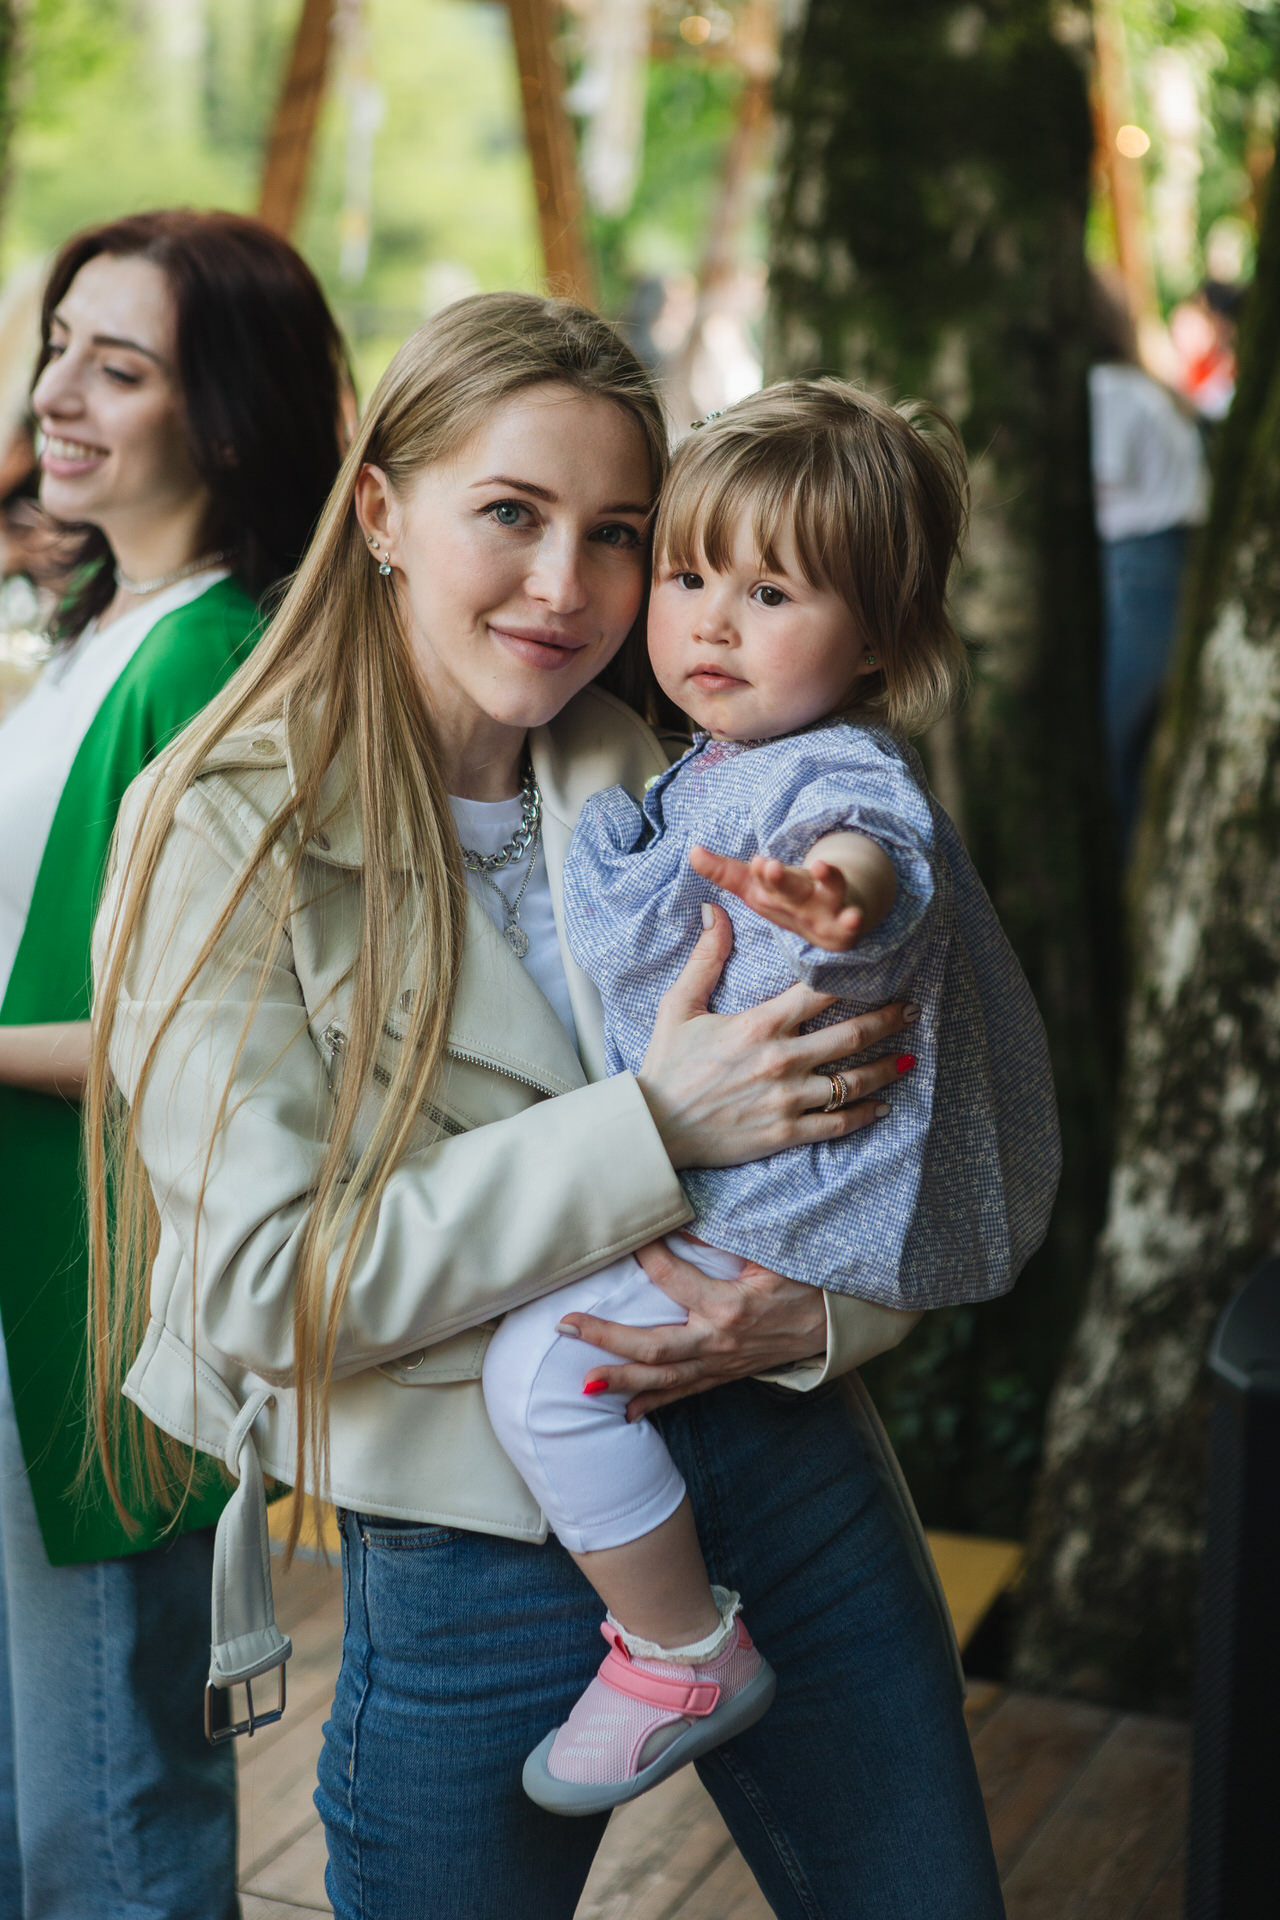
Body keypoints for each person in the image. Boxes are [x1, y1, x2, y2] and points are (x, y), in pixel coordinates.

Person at [90, 292, 1006, 1919]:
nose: (566, 587)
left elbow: (896, 1128)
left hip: (797, 1469)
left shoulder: (686, 762)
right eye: (510, 515)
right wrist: (654, 1131)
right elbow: (260, 1289)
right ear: (380, 507)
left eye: (619, 537)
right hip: (476, 1537)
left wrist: (805, 1325)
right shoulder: (230, 822)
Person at [484, 379, 1061, 1815]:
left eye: (772, 590)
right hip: (720, 1190)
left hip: (775, 1203)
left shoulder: (835, 774)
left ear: (878, 637)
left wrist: (828, 901)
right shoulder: (706, 760)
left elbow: (871, 851)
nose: (711, 622)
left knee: (543, 1379)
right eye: (686, 574)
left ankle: (680, 1651)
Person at [0, 208, 347, 1920]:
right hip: (33, 1271)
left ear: (225, 416)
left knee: (106, 1813)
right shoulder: (105, 625)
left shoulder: (214, 659)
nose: (57, 393)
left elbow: (195, 1043)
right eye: (59, 342)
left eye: (114, 366)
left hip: (103, 1305)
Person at [1088, 273, 1208, 852]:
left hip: (1139, 570)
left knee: (1119, 740)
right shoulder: (1143, 386)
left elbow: (1103, 481)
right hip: (1169, 564)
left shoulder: (1108, 391)